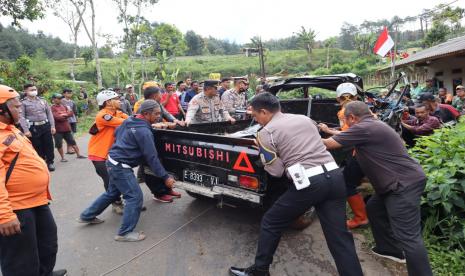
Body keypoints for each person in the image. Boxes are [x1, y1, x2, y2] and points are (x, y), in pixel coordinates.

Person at [230, 92, 363, 276]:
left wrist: (264, 151)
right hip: (334, 175)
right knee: (339, 237)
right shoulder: (305, 119)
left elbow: (276, 172)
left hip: (309, 181)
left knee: (271, 221)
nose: (256, 120)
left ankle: (259, 271)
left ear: (263, 112)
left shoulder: (265, 133)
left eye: (255, 116)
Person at [322, 101, 433, 276]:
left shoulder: (364, 128)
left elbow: (328, 144)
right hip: (396, 184)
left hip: (402, 185)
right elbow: (343, 135)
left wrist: (303, 133)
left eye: (345, 120)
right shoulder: (371, 124)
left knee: (409, 238)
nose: (344, 124)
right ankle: (389, 250)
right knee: (374, 209)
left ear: (352, 117)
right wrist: (327, 130)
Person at [78, 100, 176, 242]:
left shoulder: (130, 120)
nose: (159, 116)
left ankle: (86, 215)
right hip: (120, 166)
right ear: (146, 113)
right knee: (134, 197)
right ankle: (124, 233)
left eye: (160, 113)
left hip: (111, 161)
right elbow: (151, 158)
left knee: (112, 193)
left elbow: (117, 133)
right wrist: (165, 177)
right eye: (156, 113)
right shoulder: (143, 131)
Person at [0, 85, 67, 276]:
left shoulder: (12, 129)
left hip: (37, 201)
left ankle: (43, 273)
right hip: (15, 207)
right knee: (20, 259)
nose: (20, 110)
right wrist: (4, 215)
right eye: (15, 107)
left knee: (47, 244)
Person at [319, 83, 368, 230]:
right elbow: (348, 131)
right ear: (356, 96)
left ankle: (361, 218)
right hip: (363, 151)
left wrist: (326, 131)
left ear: (337, 98)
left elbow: (347, 135)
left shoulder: (345, 111)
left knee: (347, 183)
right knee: (349, 178)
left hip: (362, 153)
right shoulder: (363, 109)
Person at [87, 90, 129, 215]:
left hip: (112, 154)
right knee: (110, 180)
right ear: (108, 102)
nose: (120, 100)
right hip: (99, 154)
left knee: (119, 178)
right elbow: (126, 122)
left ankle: (129, 201)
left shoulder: (117, 112)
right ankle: (116, 204)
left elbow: (130, 118)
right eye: (117, 98)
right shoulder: (103, 115)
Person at [19, 84, 56, 172]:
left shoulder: (42, 100)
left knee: (49, 144)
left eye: (35, 89)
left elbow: (49, 114)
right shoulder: (23, 103)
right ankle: (41, 162)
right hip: (33, 127)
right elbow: (21, 117)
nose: (34, 91)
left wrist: (52, 126)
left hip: (45, 125)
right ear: (26, 91)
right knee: (37, 145)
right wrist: (26, 130)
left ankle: (50, 162)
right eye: (31, 90)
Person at [50, 93, 86, 162]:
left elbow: (71, 113)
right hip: (57, 129)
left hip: (66, 127)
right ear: (54, 99)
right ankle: (62, 158)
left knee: (72, 141)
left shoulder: (64, 106)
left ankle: (78, 154)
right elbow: (57, 117)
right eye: (58, 98)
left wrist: (64, 115)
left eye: (61, 98)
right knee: (59, 144)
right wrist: (66, 115)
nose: (60, 100)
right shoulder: (51, 108)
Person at [61, 88, 78, 155]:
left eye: (70, 93)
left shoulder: (72, 102)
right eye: (68, 93)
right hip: (65, 120)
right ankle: (69, 148)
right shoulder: (61, 101)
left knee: (72, 134)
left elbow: (75, 111)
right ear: (64, 94)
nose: (69, 94)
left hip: (72, 120)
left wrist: (76, 118)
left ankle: (69, 148)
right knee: (69, 135)